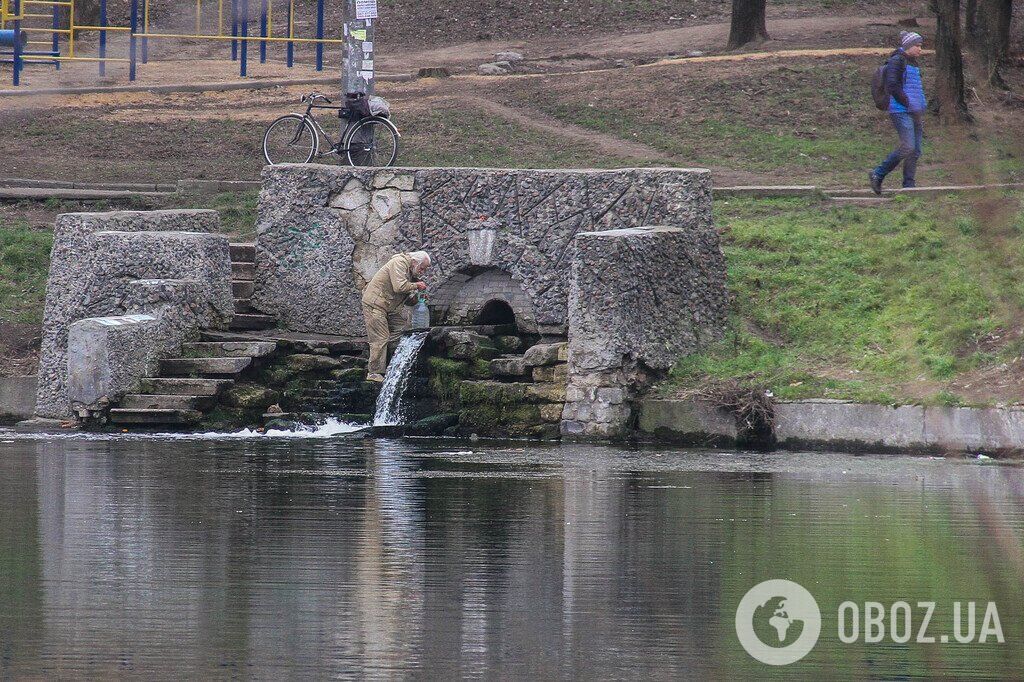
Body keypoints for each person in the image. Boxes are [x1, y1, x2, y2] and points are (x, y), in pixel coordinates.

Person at [870, 31, 927, 194]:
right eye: (917, 46)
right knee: (908, 146)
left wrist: (922, 104)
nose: (920, 49)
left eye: (920, 46)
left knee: (915, 150)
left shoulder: (914, 63)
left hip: (915, 111)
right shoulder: (897, 60)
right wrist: (908, 102)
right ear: (909, 46)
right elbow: (893, 86)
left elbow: (916, 87)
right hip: (901, 110)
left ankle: (909, 186)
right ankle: (877, 174)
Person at [361, 251, 431, 382]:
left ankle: (391, 365)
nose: (423, 272)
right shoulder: (399, 263)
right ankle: (374, 372)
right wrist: (417, 285)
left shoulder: (411, 272)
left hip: (388, 306)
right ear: (415, 262)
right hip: (375, 304)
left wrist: (418, 298)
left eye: (425, 270)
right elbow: (399, 287)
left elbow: (406, 299)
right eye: (422, 268)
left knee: (401, 329)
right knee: (380, 337)